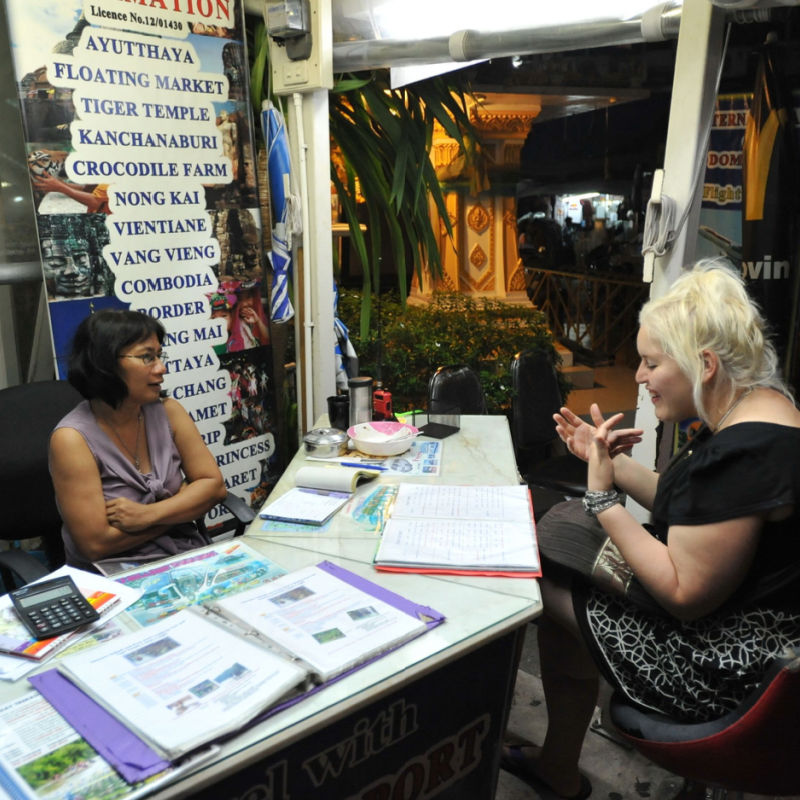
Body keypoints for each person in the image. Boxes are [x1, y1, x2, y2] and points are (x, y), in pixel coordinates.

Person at [501, 258, 800, 799]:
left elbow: (684, 593)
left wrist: (601, 499)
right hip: (756, 642)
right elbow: (697, 509)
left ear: (704, 363)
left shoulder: (743, 453)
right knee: (564, 564)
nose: (637, 377)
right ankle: (558, 764)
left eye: (650, 363)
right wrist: (605, 461)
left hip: (721, 671)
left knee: (542, 582)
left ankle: (558, 767)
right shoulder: (764, 410)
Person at [49, 310, 228, 571]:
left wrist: (147, 515)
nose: (161, 368)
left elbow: (215, 488)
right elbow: (95, 545)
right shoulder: (71, 439)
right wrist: (183, 507)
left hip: (185, 555)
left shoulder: (168, 411)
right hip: (111, 573)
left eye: (159, 355)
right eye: (147, 357)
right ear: (105, 363)